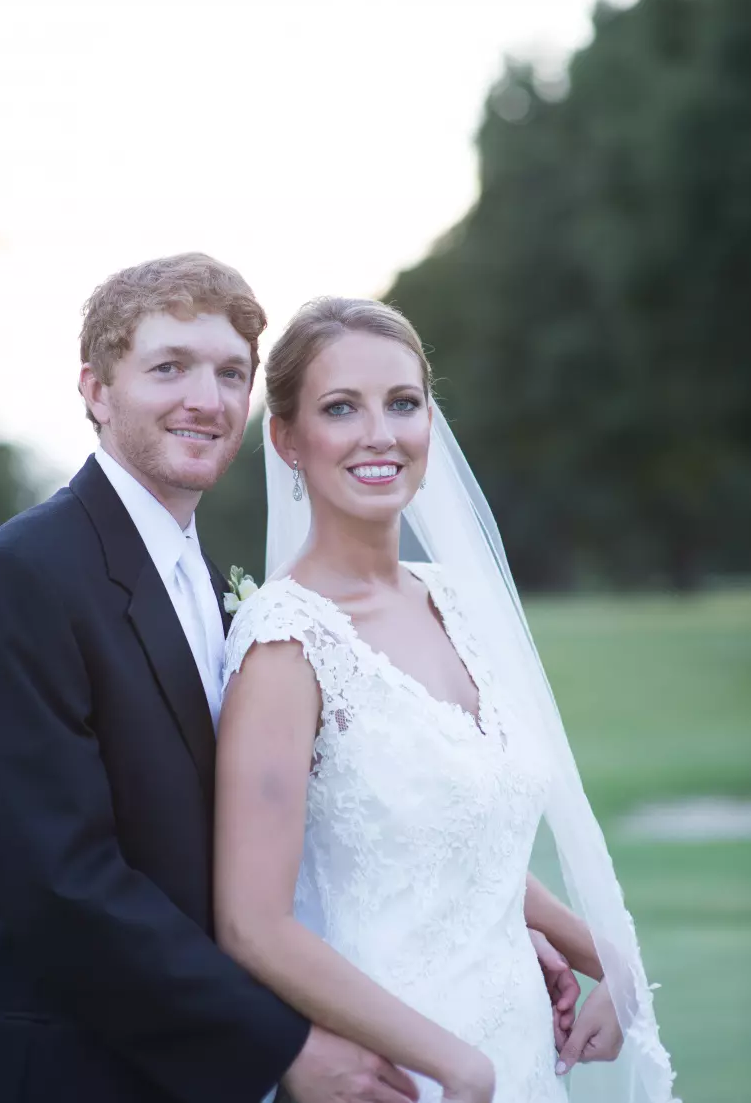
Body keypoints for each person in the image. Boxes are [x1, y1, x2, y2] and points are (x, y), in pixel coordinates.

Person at [0, 256, 578, 1103]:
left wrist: (485, 923)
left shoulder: (210, 585)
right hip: (68, 1072)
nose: (205, 398)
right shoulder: (26, 575)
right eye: (170, 367)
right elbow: (62, 884)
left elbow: (311, 820)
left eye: (230, 373)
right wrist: (280, 1045)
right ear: (96, 390)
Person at [214, 297, 678, 1103]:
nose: (379, 434)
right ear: (286, 439)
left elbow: (462, 836)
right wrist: (455, 1065)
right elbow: (252, 924)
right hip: (404, 1065)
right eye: (340, 408)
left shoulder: (455, 601)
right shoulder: (287, 641)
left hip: (520, 1046)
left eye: (403, 403)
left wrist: (610, 960)